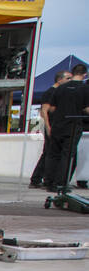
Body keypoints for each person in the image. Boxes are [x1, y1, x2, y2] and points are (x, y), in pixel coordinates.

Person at [44, 63, 89, 193]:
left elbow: (52, 108)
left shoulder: (60, 88)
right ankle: (61, 183)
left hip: (58, 124)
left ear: (73, 73)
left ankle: (49, 182)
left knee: (53, 154)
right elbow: (86, 108)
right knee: (67, 155)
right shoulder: (85, 89)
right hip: (73, 125)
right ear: (84, 74)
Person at [29, 71, 71, 189]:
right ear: (59, 80)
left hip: (56, 126)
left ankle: (40, 179)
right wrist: (48, 127)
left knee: (50, 153)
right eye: (68, 78)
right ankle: (38, 179)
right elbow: (44, 111)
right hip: (51, 126)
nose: (70, 81)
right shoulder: (50, 92)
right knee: (48, 153)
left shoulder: (59, 92)